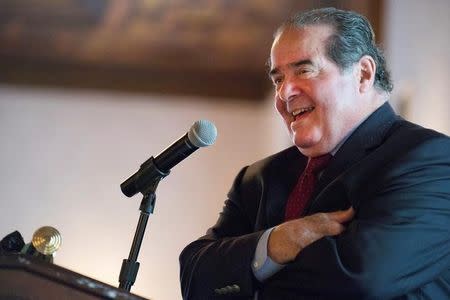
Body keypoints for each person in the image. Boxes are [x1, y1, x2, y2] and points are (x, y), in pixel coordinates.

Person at [179, 7, 450, 299]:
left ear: (363, 74)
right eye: (278, 79)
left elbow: (359, 280)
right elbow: (194, 276)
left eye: (304, 70)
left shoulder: (432, 160)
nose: (285, 93)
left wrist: (247, 281)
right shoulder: (257, 179)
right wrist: (277, 242)